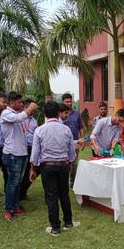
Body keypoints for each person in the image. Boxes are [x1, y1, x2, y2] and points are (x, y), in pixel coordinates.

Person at [30, 101, 80, 236]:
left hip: (47, 167)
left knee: (51, 196)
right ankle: (68, 222)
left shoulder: (39, 130)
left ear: (45, 114)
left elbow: (35, 154)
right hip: (63, 166)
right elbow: (71, 152)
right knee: (64, 194)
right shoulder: (66, 129)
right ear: (58, 113)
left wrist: (32, 169)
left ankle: (55, 228)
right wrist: (69, 163)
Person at [1, 91, 37, 221]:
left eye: (22, 102)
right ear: (11, 102)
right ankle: (9, 209)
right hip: (12, 153)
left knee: (18, 181)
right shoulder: (6, 113)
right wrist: (29, 109)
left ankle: (15, 205)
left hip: (22, 153)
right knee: (12, 182)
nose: (22, 104)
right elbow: (18, 118)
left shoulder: (19, 114)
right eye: (19, 102)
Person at [61, 93, 83, 187]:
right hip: (64, 144)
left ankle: (73, 183)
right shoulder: (60, 115)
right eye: (67, 102)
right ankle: (63, 184)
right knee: (65, 165)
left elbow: (80, 127)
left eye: (70, 101)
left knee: (74, 164)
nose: (69, 103)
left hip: (76, 143)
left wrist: (82, 140)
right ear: (63, 102)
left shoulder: (76, 114)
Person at [19, 98, 39, 201]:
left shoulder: (34, 121)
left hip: (31, 148)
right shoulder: (20, 118)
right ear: (26, 107)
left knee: (29, 170)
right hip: (21, 147)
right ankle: (18, 193)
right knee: (21, 171)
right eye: (32, 108)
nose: (34, 111)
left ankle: (23, 191)